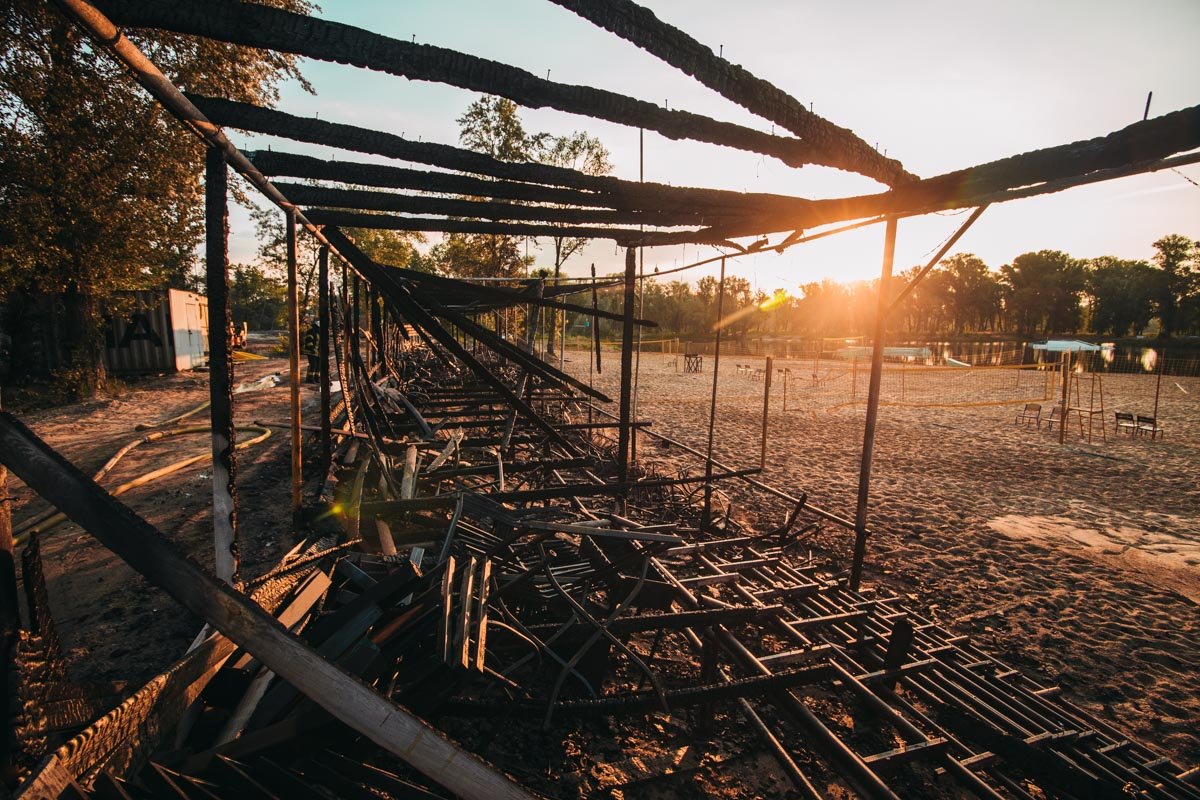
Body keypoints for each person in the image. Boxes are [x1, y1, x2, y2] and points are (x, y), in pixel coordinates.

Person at [301, 317, 320, 383]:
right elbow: (308, 340)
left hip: (317, 351)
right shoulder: (311, 331)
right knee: (313, 364)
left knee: (318, 365)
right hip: (311, 351)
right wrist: (312, 348)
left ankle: (316, 378)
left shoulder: (318, 331)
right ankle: (310, 379)